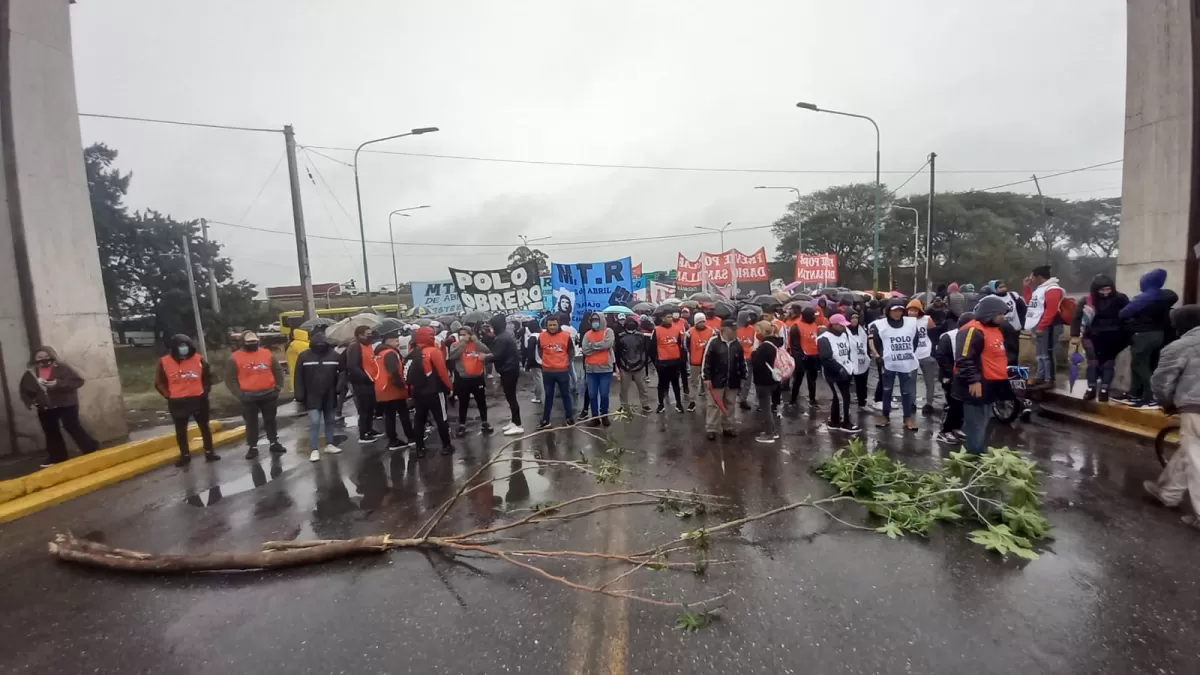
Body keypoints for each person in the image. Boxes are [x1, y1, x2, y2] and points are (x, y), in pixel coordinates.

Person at [1144, 304, 1200, 530]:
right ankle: (1168, 492)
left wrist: (1166, 402)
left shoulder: (1180, 347)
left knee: (1196, 457)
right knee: (1190, 449)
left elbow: (1161, 381)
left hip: (1196, 408)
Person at [19, 346, 98, 467]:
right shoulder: (30, 373)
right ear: (34, 359)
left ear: (51, 356)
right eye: (39, 357)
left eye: (46, 356)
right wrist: (31, 403)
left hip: (66, 403)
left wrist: (58, 383)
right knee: (50, 430)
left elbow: (78, 381)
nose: (43, 359)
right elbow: (25, 390)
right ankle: (57, 457)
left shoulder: (62, 368)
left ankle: (91, 447)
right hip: (45, 406)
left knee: (71, 425)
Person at [954, 296, 1013, 454]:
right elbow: (964, 358)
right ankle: (974, 456)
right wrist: (974, 381)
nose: (1003, 317)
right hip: (977, 384)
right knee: (976, 423)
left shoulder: (994, 329)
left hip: (991, 384)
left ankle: (977, 450)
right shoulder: (972, 330)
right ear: (990, 312)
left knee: (984, 421)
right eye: (1000, 313)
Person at [1119, 268, 1179, 408]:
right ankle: (1136, 395)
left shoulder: (1145, 297)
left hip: (1143, 335)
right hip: (1158, 334)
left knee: (1139, 365)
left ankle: (1151, 396)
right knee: (1142, 364)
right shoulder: (1164, 296)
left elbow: (1123, 313)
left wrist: (1132, 323)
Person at [155, 334, 217, 467]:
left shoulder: (199, 359)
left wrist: (204, 392)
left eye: (186, 346)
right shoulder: (164, 362)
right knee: (181, 430)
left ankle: (209, 451)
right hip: (177, 401)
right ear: (174, 348)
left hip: (198, 399)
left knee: (204, 427)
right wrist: (168, 395)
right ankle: (185, 455)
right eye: (181, 346)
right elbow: (159, 382)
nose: (184, 349)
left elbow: (208, 377)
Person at [224, 331, 285, 459]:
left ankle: (274, 442)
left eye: (254, 341)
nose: (252, 344)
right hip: (248, 397)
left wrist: (277, 388)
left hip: (269, 394)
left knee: (271, 420)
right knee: (251, 423)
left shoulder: (267, 354)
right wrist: (240, 394)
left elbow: (278, 371)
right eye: (249, 342)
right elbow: (230, 379)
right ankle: (253, 447)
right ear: (243, 343)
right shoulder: (234, 358)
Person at [1069, 274, 1129, 401]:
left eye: (1108, 289)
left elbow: (1128, 317)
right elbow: (1077, 317)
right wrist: (1074, 335)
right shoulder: (1087, 300)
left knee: (1108, 364)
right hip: (1091, 336)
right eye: (1102, 290)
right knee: (1093, 363)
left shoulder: (1121, 298)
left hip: (1113, 337)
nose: (1106, 293)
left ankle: (1104, 389)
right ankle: (1091, 388)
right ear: (1095, 289)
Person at [869, 299, 921, 431]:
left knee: (906, 391)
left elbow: (915, 340)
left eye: (900, 310)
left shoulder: (910, 323)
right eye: (894, 310)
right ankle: (885, 417)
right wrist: (878, 356)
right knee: (887, 391)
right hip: (888, 363)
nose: (897, 313)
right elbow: (875, 341)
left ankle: (907, 418)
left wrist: (908, 353)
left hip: (905, 362)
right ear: (888, 311)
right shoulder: (880, 325)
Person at [294, 331, 343, 462]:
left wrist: (339, 387)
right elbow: (298, 376)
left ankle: (330, 444)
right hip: (312, 395)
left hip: (330, 394)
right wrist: (299, 394)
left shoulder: (334, 356)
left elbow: (343, 372)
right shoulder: (304, 356)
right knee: (314, 422)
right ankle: (314, 449)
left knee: (330, 421)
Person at [407, 325, 455, 457]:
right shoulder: (433, 351)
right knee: (441, 419)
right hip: (435, 391)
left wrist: (410, 392)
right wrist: (450, 388)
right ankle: (446, 446)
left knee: (419, 419)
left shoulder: (412, 352)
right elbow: (443, 373)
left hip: (418, 392)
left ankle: (420, 448)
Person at [372, 329, 416, 451]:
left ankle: (393, 440)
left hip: (381, 388)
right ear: (387, 340)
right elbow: (394, 372)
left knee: (389, 416)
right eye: (395, 340)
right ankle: (411, 438)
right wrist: (403, 387)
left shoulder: (378, 353)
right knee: (403, 414)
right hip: (393, 388)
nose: (398, 342)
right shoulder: (390, 353)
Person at [701, 323, 747, 440]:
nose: (735, 332)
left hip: (733, 379)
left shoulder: (737, 344)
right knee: (714, 405)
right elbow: (706, 360)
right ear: (724, 330)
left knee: (730, 404)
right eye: (733, 329)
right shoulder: (713, 342)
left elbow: (742, 361)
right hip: (716, 380)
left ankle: (728, 426)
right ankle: (711, 428)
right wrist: (706, 377)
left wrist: (743, 377)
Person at [1022, 265, 1064, 388]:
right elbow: (1032, 303)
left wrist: (1042, 326)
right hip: (1039, 324)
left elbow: (1051, 310)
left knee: (1047, 354)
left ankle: (1049, 379)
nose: (1030, 278)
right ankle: (1041, 376)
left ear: (1038, 277)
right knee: (1040, 354)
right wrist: (1027, 288)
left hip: (1049, 326)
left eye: (1032, 276)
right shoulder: (1041, 289)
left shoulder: (1052, 289)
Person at [817, 314, 861, 432]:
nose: (844, 328)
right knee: (842, 398)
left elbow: (848, 351)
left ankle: (834, 421)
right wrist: (839, 369)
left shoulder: (843, 335)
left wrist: (849, 367)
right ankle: (844, 422)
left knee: (842, 397)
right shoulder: (824, 338)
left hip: (846, 369)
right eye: (841, 325)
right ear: (835, 325)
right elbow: (826, 359)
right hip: (833, 374)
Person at [448, 324, 491, 438]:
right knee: (463, 403)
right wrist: (463, 343)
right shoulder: (455, 345)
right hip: (463, 379)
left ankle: (485, 422)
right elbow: (452, 356)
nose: (463, 337)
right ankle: (462, 424)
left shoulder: (476, 344)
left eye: (465, 334)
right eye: (460, 335)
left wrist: (476, 341)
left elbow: (487, 351)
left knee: (481, 402)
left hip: (477, 377)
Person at [935, 312, 972, 444]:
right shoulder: (948, 337)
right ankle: (944, 431)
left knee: (961, 404)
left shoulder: (973, 336)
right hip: (950, 376)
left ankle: (956, 427)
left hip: (964, 376)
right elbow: (940, 356)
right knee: (952, 403)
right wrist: (951, 373)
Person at [486, 314, 526, 436]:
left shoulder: (502, 338)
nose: (491, 328)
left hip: (508, 370)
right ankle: (514, 421)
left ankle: (518, 424)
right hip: (509, 369)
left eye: (492, 325)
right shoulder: (504, 336)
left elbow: (497, 355)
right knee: (510, 397)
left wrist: (485, 357)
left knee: (511, 397)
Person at [538, 315, 576, 428]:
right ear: (546, 325)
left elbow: (571, 353)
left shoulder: (566, 336)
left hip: (562, 371)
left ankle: (569, 418)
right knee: (548, 396)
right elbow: (540, 352)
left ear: (558, 324)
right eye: (550, 325)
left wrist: (565, 363)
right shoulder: (541, 336)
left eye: (554, 324)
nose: (552, 327)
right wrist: (548, 362)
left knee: (566, 395)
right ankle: (546, 420)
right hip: (547, 372)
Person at [345, 325, 380, 443]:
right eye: (367, 334)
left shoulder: (368, 346)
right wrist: (365, 377)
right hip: (361, 382)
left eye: (371, 334)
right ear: (359, 335)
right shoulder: (355, 347)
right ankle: (363, 433)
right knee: (364, 408)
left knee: (370, 407)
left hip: (371, 380)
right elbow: (353, 366)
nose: (370, 336)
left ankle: (369, 429)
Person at [580, 311, 616, 426]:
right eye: (593, 320)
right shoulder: (587, 334)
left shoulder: (608, 331)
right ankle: (595, 417)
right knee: (592, 395)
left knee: (604, 394)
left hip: (605, 369)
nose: (595, 322)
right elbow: (585, 350)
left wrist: (592, 346)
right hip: (591, 370)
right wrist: (600, 346)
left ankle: (604, 415)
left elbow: (608, 344)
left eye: (597, 319)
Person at [750, 321, 782, 443]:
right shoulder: (774, 343)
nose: (756, 334)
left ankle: (769, 433)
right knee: (768, 406)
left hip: (763, 380)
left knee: (765, 408)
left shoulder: (764, 346)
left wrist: (754, 352)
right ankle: (772, 431)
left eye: (757, 331)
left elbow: (756, 363)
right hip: (773, 379)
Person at [906, 299, 939, 415]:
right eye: (910, 310)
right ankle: (912, 403)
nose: (912, 313)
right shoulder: (904, 321)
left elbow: (934, 336)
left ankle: (929, 403)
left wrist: (934, 353)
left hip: (926, 353)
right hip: (911, 355)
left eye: (915, 310)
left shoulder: (927, 319)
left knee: (929, 381)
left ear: (919, 311)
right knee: (911, 381)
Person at [652, 311, 688, 413]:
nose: (671, 319)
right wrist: (656, 361)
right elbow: (652, 347)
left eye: (671, 317)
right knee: (662, 384)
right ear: (663, 318)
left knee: (676, 384)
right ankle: (660, 404)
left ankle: (679, 404)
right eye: (668, 317)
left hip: (674, 362)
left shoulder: (677, 330)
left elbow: (680, 345)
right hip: (662, 363)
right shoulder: (657, 330)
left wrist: (680, 359)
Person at [615, 317, 652, 413]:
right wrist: (620, 365)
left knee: (642, 387)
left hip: (639, 366)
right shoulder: (620, 336)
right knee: (624, 388)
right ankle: (623, 405)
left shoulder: (641, 336)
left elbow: (645, 351)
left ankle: (645, 404)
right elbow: (618, 353)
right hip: (625, 366)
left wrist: (643, 363)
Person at [788, 307, 822, 407]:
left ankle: (812, 399)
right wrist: (798, 359)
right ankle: (793, 400)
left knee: (812, 380)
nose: (814, 318)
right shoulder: (796, 327)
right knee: (798, 380)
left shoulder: (815, 325)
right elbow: (794, 346)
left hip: (813, 356)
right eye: (812, 316)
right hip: (801, 357)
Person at [685, 313, 716, 414]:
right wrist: (693, 354)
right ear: (695, 322)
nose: (702, 323)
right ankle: (692, 402)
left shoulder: (711, 331)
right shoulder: (689, 332)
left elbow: (715, 345)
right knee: (694, 383)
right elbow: (686, 346)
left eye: (703, 321)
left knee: (708, 383)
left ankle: (710, 403)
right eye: (699, 322)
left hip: (708, 363)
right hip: (695, 362)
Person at [846, 312, 871, 406]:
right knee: (847, 383)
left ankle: (862, 401)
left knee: (862, 382)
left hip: (862, 359)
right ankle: (846, 403)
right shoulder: (845, 331)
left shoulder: (863, 331)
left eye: (856, 318)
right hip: (850, 360)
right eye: (852, 318)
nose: (854, 320)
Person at [735, 313, 758, 410]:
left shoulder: (753, 329)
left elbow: (755, 343)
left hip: (749, 358)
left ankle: (742, 399)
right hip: (737, 358)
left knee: (747, 380)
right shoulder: (735, 329)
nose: (748, 320)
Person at [522, 318, 544, 405]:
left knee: (538, 379)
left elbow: (530, 352)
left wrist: (527, 364)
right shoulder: (543, 335)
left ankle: (538, 396)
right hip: (544, 360)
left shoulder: (532, 338)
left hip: (536, 360)